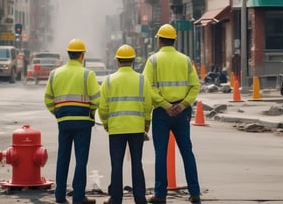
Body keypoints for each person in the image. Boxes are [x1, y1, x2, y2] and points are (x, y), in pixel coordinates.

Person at [142, 24, 201, 204]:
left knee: (161, 153)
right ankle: (195, 193)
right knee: (187, 152)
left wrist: (164, 104)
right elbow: (195, 86)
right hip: (182, 113)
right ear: (174, 40)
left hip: (162, 113)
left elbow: (147, 86)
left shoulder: (153, 61)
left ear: (159, 40)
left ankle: (160, 194)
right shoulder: (185, 60)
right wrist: (183, 104)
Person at [44, 39, 100, 204]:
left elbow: (48, 100)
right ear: (82, 55)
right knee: (81, 160)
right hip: (83, 121)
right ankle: (78, 196)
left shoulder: (55, 74)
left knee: (63, 158)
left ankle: (60, 195)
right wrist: (91, 110)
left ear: (68, 54)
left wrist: (58, 113)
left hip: (64, 122)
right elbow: (97, 98)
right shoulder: (87, 74)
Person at [99, 44, 152, 204]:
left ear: (117, 62)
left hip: (116, 128)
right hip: (136, 128)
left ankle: (116, 198)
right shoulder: (142, 80)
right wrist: (146, 122)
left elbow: (103, 107)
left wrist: (106, 123)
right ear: (133, 61)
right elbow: (148, 105)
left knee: (116, 165)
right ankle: (140, 198)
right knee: (137, 163)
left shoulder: (108, 81)